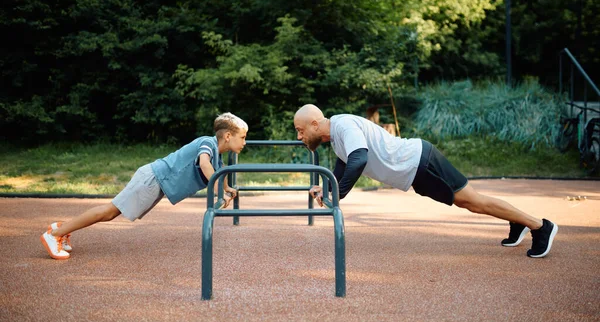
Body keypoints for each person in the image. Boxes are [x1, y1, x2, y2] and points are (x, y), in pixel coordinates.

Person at [293, 104, 558, 258]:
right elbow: (344, 164)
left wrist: (337, 193)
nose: (299, 137)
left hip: (421, 162)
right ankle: (518, 221)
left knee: (473, 202)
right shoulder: (338, 136)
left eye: (301, 131)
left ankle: (540, 226)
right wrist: (327, 188)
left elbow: (359, 160)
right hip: (415, 169)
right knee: (470, 202)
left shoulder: (343, 126)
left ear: (316, 124)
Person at [40, 112, 248, 260]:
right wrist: (218, 189)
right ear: (228, 136)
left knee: (111, 212)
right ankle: (54, 235)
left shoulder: (218, 157)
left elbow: (218, 172)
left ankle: (61, 228)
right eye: (243, 137)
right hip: (152, 178)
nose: (245, 142)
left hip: (156, 181)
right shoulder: (207, 143)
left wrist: (226, 189)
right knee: (110, 212)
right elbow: (204, 163)